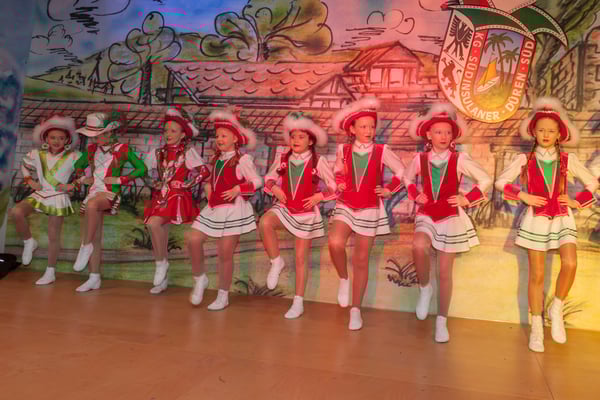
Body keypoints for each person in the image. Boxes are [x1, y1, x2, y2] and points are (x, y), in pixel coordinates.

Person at [495, 97, 598, 352]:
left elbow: (592, 183)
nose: (546, 134)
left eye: (551, 130)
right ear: (534, 131)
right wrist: (523, 195)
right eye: (541, 129)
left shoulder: (568, 159)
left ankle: (557, 307)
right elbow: (500, 182)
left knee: (570, 263)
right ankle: (537, 327)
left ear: (559, 133)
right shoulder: (524, 159)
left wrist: (576, 201)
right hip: (536, 220)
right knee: (537, 275)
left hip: (563, 217)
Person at [405, 103, 492, 342]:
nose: (443, 136)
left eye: (448, 132)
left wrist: (467, 198)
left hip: (451, 217)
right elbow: (407, 178)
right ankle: (425, 288)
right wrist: (415, 194)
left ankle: (441, 320)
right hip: (427, 213)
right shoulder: (420, 158)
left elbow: (485, 179)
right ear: (428, 135)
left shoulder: (459, 158)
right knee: (418, 246)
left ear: (453, 136)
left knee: (444, 272)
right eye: (438, 132)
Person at [328, 96, 405, 330]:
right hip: (346, 203)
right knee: (335, 243)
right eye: (363, 127)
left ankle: (356, 310)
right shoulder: (343, 149)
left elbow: (402, 170)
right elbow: (337, 171)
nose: (368, 131)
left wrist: (389, 189)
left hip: (370, 208)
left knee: (361, 259)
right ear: (352, 129)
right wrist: (340, 181)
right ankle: (344, 278)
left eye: (371, 126)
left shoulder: (382, 150)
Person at [261, 114, 336, 318]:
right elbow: (268, 178)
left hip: (305, 213)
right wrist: (275, 188)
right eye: (293, 136)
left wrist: (319, 196)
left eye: (301, 137)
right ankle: (276, 261)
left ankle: (298, 302)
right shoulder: (283, 158)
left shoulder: (318, 161)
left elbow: (334, 186)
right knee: (265, 222)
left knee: (301, 258)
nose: (295, 140)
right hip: (285, 207)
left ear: (310, 141)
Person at [185, 109, 262, 310]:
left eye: (224, 136)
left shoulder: (243, 160)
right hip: (214, 207)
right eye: (217, 135)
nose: (219, 139)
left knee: (225, 253)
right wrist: (208, 188)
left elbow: (257, 181)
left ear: (235, 138)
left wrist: (238, 189)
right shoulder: (217, 158)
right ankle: (200, 279)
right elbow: (214, 180)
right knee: (193, 240)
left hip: (234, 209)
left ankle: (223, 295)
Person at [9, 115, 81, 285]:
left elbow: (85, 175)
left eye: (61, 138)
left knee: (53, 235)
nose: (57, 141)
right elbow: (24, 165)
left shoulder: (74, 156)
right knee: (16, 212)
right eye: (53, 137)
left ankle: (50, 271)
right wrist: (29, 181)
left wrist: (72, 185)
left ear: (67, 140)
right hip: (40, 194)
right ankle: (29, 241)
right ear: (46, 138)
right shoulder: (36, 154)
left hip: (57, 196)